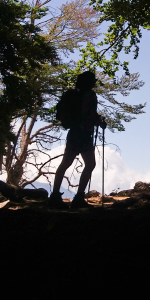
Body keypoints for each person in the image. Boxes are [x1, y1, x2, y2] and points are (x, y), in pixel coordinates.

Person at [48, 71, 105, 209]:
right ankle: (79, 197)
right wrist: (100, 122)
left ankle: (55, 196)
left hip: (73, 133)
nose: (95, 82)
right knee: (90, 164)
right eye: (93, 80)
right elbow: (90, 113)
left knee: (65, 164)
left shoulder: (73, 95)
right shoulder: (90, 95)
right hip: (84, 134)